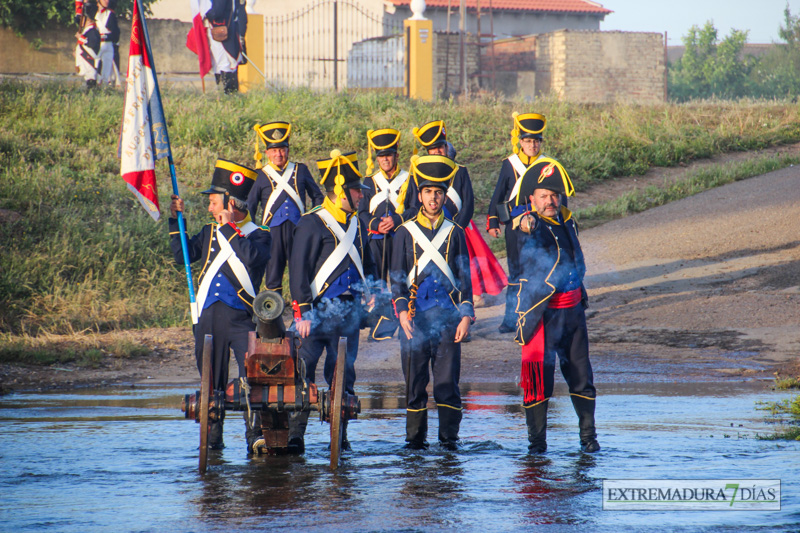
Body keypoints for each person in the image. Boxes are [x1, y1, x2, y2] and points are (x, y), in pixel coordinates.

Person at [169, 159, 271, 452]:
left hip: (240, 320)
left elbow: (252, 258)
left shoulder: (259, 234)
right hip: (208, 319)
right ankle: (214, 443)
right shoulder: (208, 231)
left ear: (231, 205)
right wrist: (177, 220)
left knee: (251, 378)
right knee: (211, 385)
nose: (210, 209)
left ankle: (255, 439)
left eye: (214, 203)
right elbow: (181, 256)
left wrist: (228, 230)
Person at [288, 150, 377, 453]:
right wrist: (302, 313)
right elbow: (298, 270)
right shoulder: (312, 223)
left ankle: (340, 435)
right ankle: (294, 436)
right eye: (356, 191)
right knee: (303, 372)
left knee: (344, 373)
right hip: (316, 315)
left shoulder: (358, 224)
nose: (361, 197)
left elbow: (367, 262)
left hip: (348, 314)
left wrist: (371, 290)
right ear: (341, 192)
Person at [511, 157, 599, 454]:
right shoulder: (529, 223)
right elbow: (515, 219)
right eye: (543, 196)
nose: (549, 201)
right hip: (542, 315)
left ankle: (588, 439)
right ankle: (537, 446)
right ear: (531, 200)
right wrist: (522, 219)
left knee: (581, 375)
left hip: (573, 312)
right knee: (538, 381)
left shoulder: (568, 218)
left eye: (553, 195)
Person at [390, 154, 474, 451]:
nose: (434, 198)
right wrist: (401, 314)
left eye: (439, 193)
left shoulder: (456, 233)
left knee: (447, 387)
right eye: (428, 192)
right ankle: (415, 444)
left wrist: (466, 316)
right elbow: (397, 279)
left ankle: (449, 443)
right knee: (414, 388)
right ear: (420, 195)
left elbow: (464, 279)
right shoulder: (403, 232)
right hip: (413, 321)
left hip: (448, 321)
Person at [487, 112, 548, 334]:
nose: (533, 145)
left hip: (541, 224)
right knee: (515, 271)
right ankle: (510, 319)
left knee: (541, 268)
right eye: (528, 141)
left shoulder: (547, 165)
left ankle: (537, 315)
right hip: (515, 225)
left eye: (536, 141)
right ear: (520, 141)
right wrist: (493, 221)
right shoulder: (509, 164)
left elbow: (558, 195)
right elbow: (498, 194)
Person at [247, 121, 323, 296]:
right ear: (267, 152)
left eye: (282, 149)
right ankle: (274, 321)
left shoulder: (301, 170)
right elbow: (251, 206)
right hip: (271, 233)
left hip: (298, 231)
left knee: (301, 274)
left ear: (288, 150)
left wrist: (312, 222)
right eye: (274, 150)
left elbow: (317, 197)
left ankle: (301, 317)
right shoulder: (260, 175)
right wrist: (253, 233)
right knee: (273, 277)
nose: (279, 154)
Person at [205, 0, 243, 93]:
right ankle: (229, 93)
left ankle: (227, 94)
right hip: (228, 31)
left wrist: (205, 13)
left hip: (221, 32)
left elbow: (217, 12)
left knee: (223, 63)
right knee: (226, 62)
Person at [75, 1, 100, 90]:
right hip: (85, 65)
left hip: (90, 64)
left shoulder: (92, 30)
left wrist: (80, 38)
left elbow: (91, 43)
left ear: (88, 19)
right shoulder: (87, 30)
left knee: (90, 85)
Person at [95, 0, 120, 87]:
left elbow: (116, 33)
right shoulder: (93, 14)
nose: (107, 1)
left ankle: (105, 86)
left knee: (107, 67)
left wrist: (106, 36)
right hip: (97, 45)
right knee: (95, 67)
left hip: (108, 44)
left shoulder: (111, 14)